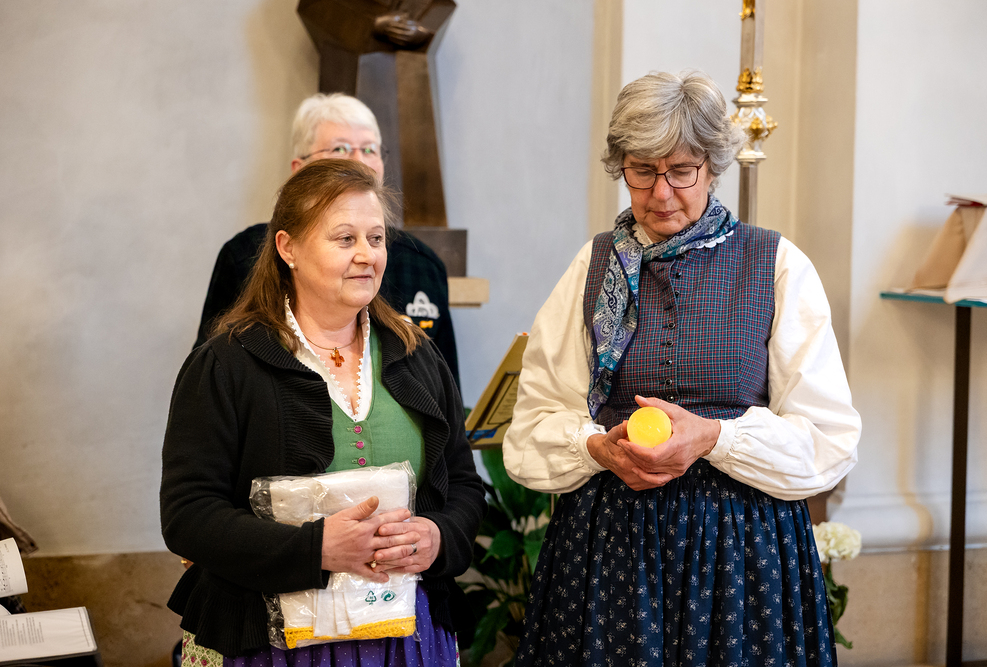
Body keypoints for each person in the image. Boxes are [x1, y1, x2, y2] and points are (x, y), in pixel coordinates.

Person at [503, 71, 861, 666]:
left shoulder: (775, 264)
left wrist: (715, 438)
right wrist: (598, 448)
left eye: (682, 171)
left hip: (742, 553)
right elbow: (534, 424)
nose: (661, 192)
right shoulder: (592, 266)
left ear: (713, 167)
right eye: (642, 171)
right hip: (611, 549)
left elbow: (829, 438)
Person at [161, 159, 485, 666]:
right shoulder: (227, 364)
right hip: (263, 643)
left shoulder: (416, 355)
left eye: (376, 239)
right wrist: (315, 549)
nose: (367, 255)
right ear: (287, 248)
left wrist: (437, 537)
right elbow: (188, 514)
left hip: (403, 638)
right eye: (345, 239)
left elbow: (463, 484)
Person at [195, 93, 461, 390]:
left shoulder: (423, 265)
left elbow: (445, 388)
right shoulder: (243, 255)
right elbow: (214, 377)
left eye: (369, 149)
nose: (359, 161)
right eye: (340, 148)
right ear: (299, 169)